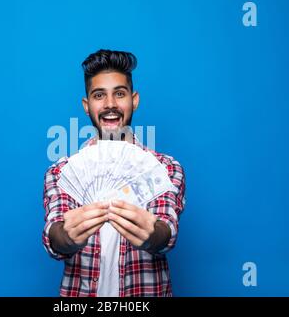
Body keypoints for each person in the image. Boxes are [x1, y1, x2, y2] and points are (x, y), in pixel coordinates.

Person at [42, 49, 186, 297]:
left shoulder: (166, 168)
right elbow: (55, 236)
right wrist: (66, 236)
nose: (110, 104)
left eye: (119, 94)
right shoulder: (62, 172)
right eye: (99, 95)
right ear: (87, 106)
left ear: (134, 100)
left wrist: (153, 235)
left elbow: (166, 231)